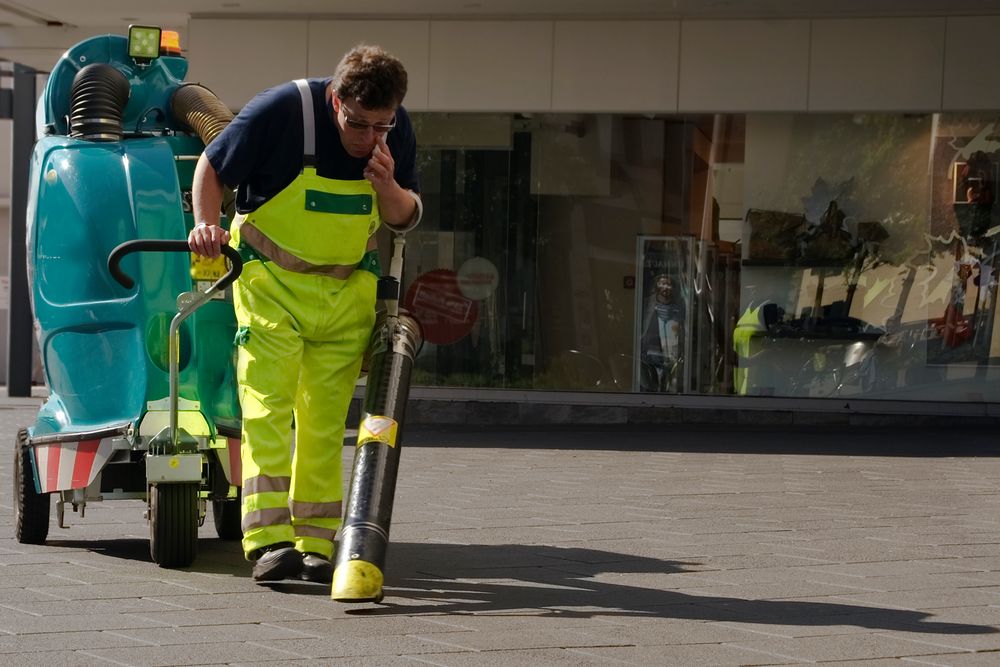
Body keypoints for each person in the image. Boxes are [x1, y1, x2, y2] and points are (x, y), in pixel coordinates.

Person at [188, 45, 422, 584]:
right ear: (334, 99)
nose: (370, 139)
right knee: (267, 405)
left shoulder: (395, 129)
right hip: (270, 283)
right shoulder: (282, 111)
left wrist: (388, 186)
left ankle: (316, 544)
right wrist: (204, 225)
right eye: (359, 124)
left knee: (322, 421)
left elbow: (405, 218)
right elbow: (211, 168)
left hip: (345, 294)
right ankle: (268, 542)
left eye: (382, 127)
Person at [639, 274, 685, 392]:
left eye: (669, 284)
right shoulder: (646, 306)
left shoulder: (679, 309)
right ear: (657, 286)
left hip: (670, 357)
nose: (666, 287)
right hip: (649, 356)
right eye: (662, 284)